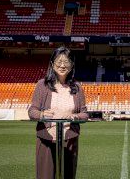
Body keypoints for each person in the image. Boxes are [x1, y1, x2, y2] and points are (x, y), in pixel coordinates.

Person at [28, 46, 88, 179]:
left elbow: (85, 114)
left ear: (72, 65)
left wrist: (75, 116)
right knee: (45, 176)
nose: (62, 65)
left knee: (68, 175)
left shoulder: (77, 88)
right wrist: (42, 115)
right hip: (46, 140)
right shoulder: (42, 85)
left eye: (66, 62)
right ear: (52, 64)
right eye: (58, 61)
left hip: (70, 140)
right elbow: (32, 111)